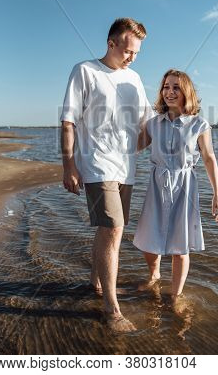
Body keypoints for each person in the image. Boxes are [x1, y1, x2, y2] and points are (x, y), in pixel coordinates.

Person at [60, 18, 152, 332]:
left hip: (126, 167)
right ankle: (111, 308)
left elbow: (146, 126)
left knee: (110, 230)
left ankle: (96, 281)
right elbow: (69, 121)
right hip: (96, 163)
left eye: (137, 53)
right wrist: (69, 164)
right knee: (114, 227)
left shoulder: (136, 79)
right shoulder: (84, 71)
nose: (132, 57)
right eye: (128, 50)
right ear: (111, 43)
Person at [133, 69, 218, 303]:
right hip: (157, 184)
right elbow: (132, 147)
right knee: (147, 237)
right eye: (166, 87)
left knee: (180, 245)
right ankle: (154, 274)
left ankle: (176, 295)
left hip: (185, 184)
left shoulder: (199, 124)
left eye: (176, 87)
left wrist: (217, 195)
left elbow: (209, 158)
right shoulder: (153, 124)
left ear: (186, 92)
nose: (170, 92)